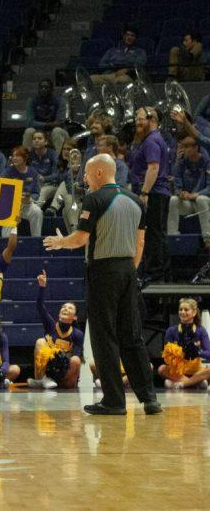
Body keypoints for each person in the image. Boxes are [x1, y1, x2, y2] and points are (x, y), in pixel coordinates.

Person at [43, 153, 162, 416]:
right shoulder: (136, 201)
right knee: (132, 336)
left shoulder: (94, 199)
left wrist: (60, 242)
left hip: (103, 272)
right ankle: (150, 399)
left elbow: (81, 238)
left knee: (104, 336)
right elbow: (140, 242)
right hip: (129, 271)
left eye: (86, 173)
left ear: (99, 173)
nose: (84, 178)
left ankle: (114, 401)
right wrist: (130, 269)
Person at [127, 106, 171, 281]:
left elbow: (153, 168)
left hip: (153, 193)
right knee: (155, 233)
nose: (137, 122)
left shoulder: (152, 140)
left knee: (153, 234)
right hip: (156, 192)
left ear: (151, 119)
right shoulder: (150, 139)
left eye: (140, 118)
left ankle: (156, 274)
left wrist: (144, 192)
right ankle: (159, 272)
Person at [29, 270, 83, 389]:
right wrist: (42, 286)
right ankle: (41, 379)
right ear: (59, 313)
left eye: (69, 308)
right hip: (47, 370)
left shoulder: (77, 334)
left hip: (65, 372)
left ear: (74, 317)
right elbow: (40, 306)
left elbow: (76, 356)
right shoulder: (51, 325)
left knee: (76, 360)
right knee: (40, 342)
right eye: (63, 307)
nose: (65, 309)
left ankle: (59, 382)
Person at [167, 136, 210, 248]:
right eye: (183, 147)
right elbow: (177, 185)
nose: (184, 150)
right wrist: (180, 193)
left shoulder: (206, 162)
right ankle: (172, 236)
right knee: (173, 200)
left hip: (204, 201)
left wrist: (195, 195)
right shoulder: (181, 163)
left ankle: (207, 238)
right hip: (189, 203)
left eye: (187, 147)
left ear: (196, 148)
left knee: (201, 199)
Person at [158, 298, 210, 389]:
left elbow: (209, 353)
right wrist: (180, 352)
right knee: (161, 368)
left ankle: (184, 384)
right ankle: (193, 383)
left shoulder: (200, 330)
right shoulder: (171, 331)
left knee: (168, 383)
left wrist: (198, 352)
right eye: (180, 309)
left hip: (196, 370)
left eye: (186, 310)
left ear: (194, 313)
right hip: (178, 372)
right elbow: (166, 355)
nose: (182, 312)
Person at [1, 147, 43, 236]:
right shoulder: (7, 172)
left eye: (17, 156)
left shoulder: (32, 172)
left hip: (27, 204)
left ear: (25, 157)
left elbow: (36, 193)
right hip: (11, 205)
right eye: (13, 156)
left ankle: (36, 240)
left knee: (37, 211)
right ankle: (6, 242)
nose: (14, 158)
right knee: (10, 216)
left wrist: (29, 198)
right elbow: (1, 191)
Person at [22, 79, 69, 151]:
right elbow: (30, 122)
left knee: (57, 131)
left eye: (46, 87)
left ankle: (59, 160)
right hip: (38, 132)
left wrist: (40, 124)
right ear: (38, 89)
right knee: (29, 131)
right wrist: (46, 125)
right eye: (41, 87)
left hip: (55, 132)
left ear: (52, 90)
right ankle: (25, 159)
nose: (43, 89)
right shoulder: (32, 101)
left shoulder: (60, 101)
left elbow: (60, 122)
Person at [48, 147, 86, 232]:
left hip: (85, 199)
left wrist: (80, 187)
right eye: (72, 161)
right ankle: (73, 232)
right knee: (65, 210)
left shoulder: (86, 171)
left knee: (68, 199)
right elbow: (69, 189)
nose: (75, 163)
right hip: (73, 199)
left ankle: (54, 207)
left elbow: (90, 188)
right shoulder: (68, 173)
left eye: (77, 160)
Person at [27, 131, 62, 210]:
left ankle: (34, 211)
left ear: (46, 142)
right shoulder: (30, 155)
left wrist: (44, 178)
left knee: (42, 191)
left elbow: (56, 176)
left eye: (39, 138)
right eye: (34, 139)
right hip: (35, 183)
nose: (36, 140)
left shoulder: (53, 154)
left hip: (51, 185)